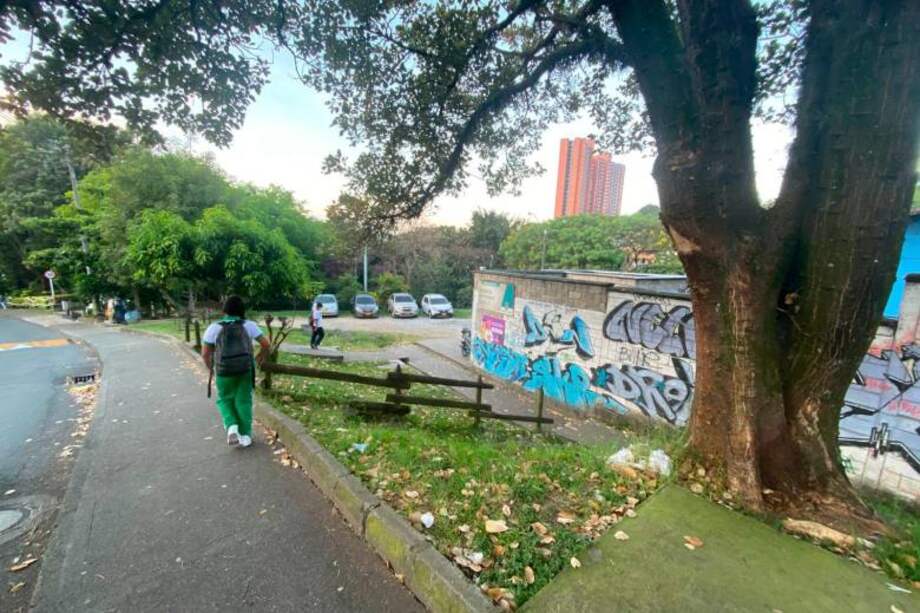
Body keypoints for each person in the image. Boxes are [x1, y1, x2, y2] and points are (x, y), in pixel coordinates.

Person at [201, 296, 270, 448]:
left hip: (223, 371)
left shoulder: (214, 328)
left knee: (225, 399)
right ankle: (245, 436)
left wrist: (211, 369)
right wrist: (258, 358)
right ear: (241, 310)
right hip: (245, 369)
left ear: (224, 310)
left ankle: (231, 425)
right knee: (244, 401)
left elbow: (205, 354)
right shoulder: (249, 325)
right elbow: (266, 344)